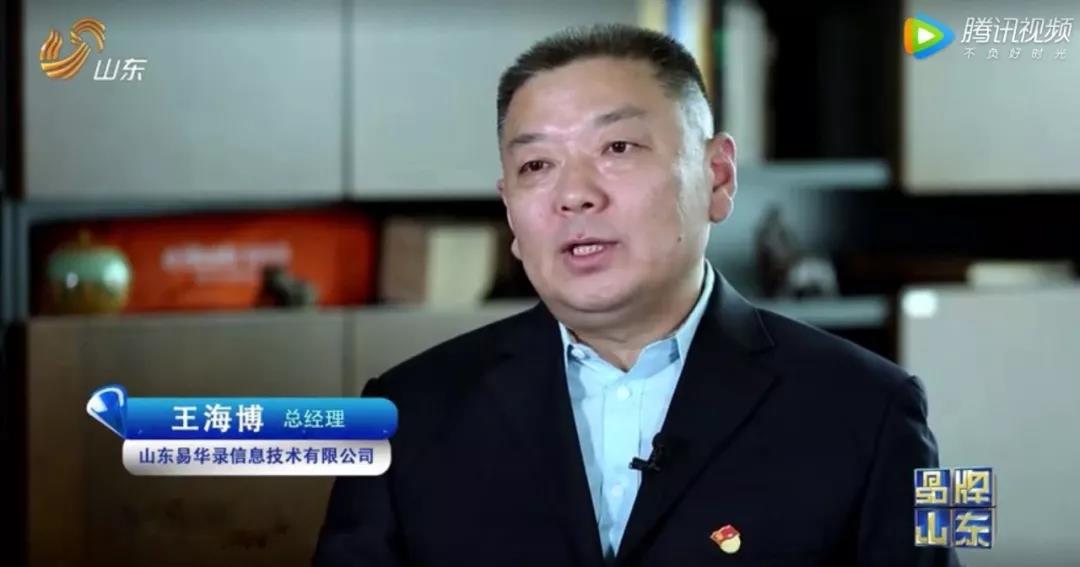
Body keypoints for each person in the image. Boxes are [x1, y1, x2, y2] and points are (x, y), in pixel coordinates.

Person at [315, 24, 957, 566]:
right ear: (510, 208)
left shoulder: (877, 407)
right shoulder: (404, 414)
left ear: (717, 176)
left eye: (617, 147)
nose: (575, 195)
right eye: (537, 165)